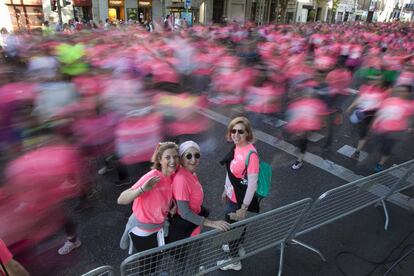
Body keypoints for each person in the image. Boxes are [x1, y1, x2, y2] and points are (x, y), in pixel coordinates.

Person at [118, 142, 179, 275]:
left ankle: (153, 273)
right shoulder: (152, 176)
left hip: (158, 227)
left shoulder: (172, 176)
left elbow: (163, 196)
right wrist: (142, 189)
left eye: (175, 157)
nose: (173, 161)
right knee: (147, 264)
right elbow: (121, 199)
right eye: (168, 157)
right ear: (160, 159)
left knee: (156, 257)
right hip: (143, 230)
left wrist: (172, 204)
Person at [218, 116, 260, 271]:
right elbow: (231, 173)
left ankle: (234, 261)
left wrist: (243, 207)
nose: (236, 134)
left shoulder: (251, 154)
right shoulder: (237, 147)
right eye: (233, 131)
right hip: (232, 196)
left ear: (247, 133)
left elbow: (252, 185)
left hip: (239, 201)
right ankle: (237, 246)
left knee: (230, 228)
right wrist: (225, 189)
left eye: (240, 131)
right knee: (236, 226)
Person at [169, 140, 230, 242]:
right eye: (188, 156)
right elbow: (185, 213)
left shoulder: (191, 173)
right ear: (181, 159)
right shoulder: (181, 180)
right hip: (187, 232)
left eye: (197, 155)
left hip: (194, 225)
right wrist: (212, 223)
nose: (193, 160)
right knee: (192, 256)